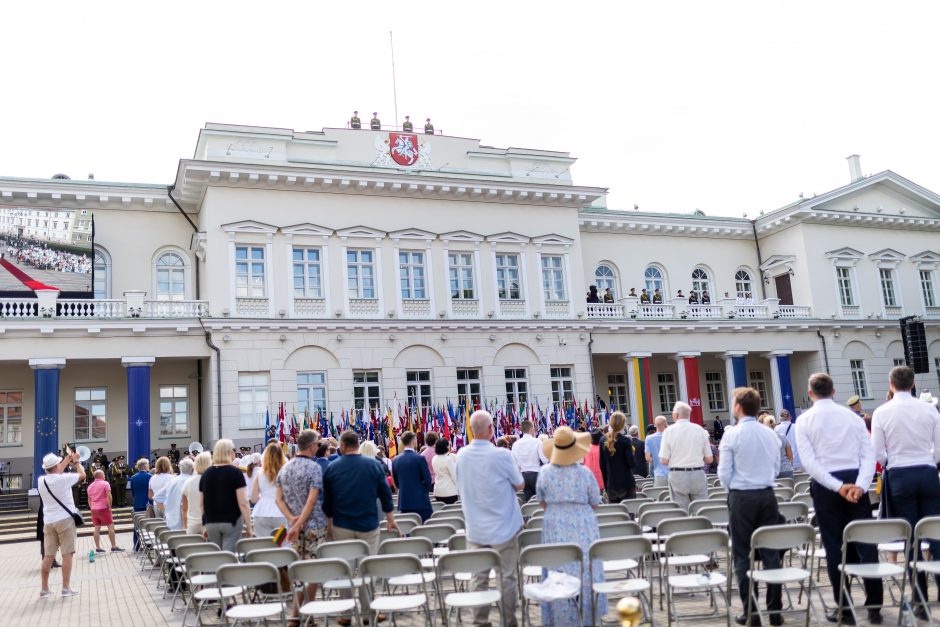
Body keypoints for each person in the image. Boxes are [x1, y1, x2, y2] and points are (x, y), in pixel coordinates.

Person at [796, 372, 881, 624]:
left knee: (834, 547)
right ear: (833, 391)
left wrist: (837, 486)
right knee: (866, 543)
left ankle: (844, 606)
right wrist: (861, 485)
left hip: (827, 485)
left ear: (810, 393)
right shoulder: (853, 418)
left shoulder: (804, 420)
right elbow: (869, 454)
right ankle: (874, 605)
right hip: (855, 479)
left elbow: (809, 463)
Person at [871, 366, 940, 620]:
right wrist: (928, 460)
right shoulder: (929, 409)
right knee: (935, 531)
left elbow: (877, 452)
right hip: (927, 470)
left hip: (900, 473)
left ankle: (920, 598)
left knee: (911, 538)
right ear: (912, 384)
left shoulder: (881, 412)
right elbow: (939, 448)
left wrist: (894, 460)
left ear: (891, 384)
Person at [718, 388, 783, 626]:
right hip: (767, 495)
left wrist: (734, 490)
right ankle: (775, 611)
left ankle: (751, 612)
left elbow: (723, 473)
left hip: (741, 496)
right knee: (770, 553)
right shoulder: (769, 434)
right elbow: (776, 468)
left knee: (742, 555)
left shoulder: (732, 435)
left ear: (737, 407)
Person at [456, 410, 524, 627]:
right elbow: (519, 484)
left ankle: (480, 622)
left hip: (476, 528)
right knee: (506, 578)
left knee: (479, 579)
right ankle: (508, 622)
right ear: (490, 429)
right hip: (504, 526)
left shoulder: (462, 455)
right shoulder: (502, 455)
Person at [323, 430, 397, 625]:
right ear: (357, 444)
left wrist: (329, 524)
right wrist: (390, 518)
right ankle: (368, 612)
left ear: (343, 445)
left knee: (345, 568)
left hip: (342, 525)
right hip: (368, 524)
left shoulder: (332, 468)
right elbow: (385, 494)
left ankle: (346, 613)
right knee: (367, 567)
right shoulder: (373, 465)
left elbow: (327, 502)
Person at [537, 426, 605, 625]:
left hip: (554, 523)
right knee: (584, 567)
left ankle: (560, 618)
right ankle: (587, 615)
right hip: (583, 523)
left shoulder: (545, 472)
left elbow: (542, 502)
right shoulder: (584, 473)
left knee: (557, 567)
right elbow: (595, 501)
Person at [274, 430, 328, 624]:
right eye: (318, 444)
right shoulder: (314, 468)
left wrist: (292, 520)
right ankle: (302, 614)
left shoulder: (285, 469)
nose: (318, 447)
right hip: (313, 525)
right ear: (312, 446)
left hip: (293, 528)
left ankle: (297, 615)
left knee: (299, 571)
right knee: (312, 571)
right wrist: (300, 522)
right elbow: (312, 500)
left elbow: (278, 499)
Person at [38, 450, 85, 599]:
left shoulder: (41, 480)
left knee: (48, 556)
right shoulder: (64, 479)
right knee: (67, 554)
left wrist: (66, 459)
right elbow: (82, 475)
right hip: (65, 520)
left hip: (49, 521)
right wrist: (76, 461)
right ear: (57, 466)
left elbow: (55, 471)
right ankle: (65, 588)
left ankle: (44, 589)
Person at [200, 438, 252, 552]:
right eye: (233, 449)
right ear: (229, 452)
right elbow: (243, 503)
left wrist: (204, 525)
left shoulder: (206, 474)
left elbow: (202, 504)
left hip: (211, 521)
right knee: (228, 555)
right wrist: (249, 526)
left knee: (216, 555)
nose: (234, 452)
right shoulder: (236, 473)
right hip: (231, 521)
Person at [659, 401, 713, 510]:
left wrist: (677, 460)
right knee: (701, 510)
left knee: (682, 512)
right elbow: (709, 459)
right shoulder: (700, 430)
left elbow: (663, 460)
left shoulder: (669, 431)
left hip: (677, 474)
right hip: (697, 474)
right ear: (689, 414)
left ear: (676, 415)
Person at [392, 431, 433, 522]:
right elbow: (427, 480)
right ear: (414, 441)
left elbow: (396, 482)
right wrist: (423, 492)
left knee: (408, 531)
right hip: (421, 501)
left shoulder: (395, 460)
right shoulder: (420, 458)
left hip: (404, 501)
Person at [252, 442, 288, 539]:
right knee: (281, 544)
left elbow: (254, 498)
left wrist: (264, 497)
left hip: (261, 512)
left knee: (263, 545)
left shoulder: (259, 474)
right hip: (281, 513)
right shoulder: (286, 473)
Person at [599, 411, 636, 502]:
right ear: (623, 424)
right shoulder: (626, 441)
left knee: (616, 515)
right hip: (627, 484)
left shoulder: (603, 440)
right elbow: (631, 464)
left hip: (611, 485)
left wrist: (606, 486)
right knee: (629, 514)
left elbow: (602, 466)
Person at [86, 468, 124, 552]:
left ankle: (98, 547)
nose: (104, 475)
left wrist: (92, 507)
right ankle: (113, 546)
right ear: (101, 475)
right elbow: (109, 496)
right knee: (110, 526)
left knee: (97, 528)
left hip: (94, 509)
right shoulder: (105, 483)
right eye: (103, 474)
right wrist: (109, 506)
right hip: (103, 508)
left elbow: (89, 499)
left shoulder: (89, 486)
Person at [511, 419, 548, 502]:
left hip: (523, 475)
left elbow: (513, 463)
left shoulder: (516, 444)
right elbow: (545, 460)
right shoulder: (537, 442)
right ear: (531, 429)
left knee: (529, 500)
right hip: (536, 474)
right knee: (540, 501)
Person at [157, 457, 193, 530]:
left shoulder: (172, 481)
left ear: (180, 468)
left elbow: (157, 497)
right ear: (192, 468)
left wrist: (166, 510)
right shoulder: (193, 480)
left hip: (173, 520)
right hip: (190, 518)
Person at [181, 451, 212, 535]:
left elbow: (184, 508)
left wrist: (184, 526)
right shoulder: (214, 481)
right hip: (209, 524)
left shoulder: (188, 482)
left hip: (192, 525)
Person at [130, 458, 152, 550]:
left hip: (137, 503)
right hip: (147, 504)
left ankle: (136, 545)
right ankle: (149, 544)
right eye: (148, 464)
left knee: (137, 525)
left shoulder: (133, 477)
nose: (149, 466)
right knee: (148, 525)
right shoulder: (150, 476)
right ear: (145, 466)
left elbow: (133, 492)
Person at [431, 438, 458, 504]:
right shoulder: (448, 460)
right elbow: (455, 477)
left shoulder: (434, 458)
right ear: (446, 447)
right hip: (449, 491)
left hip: (437, 490)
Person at [645, 415, 670, 487]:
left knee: (660, 496)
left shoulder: (649, 438)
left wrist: (656, 461)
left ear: (655, 425)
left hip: (659, 474)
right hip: (673, 473)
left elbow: (648, 458)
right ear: (666, 424)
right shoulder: (672, 436)